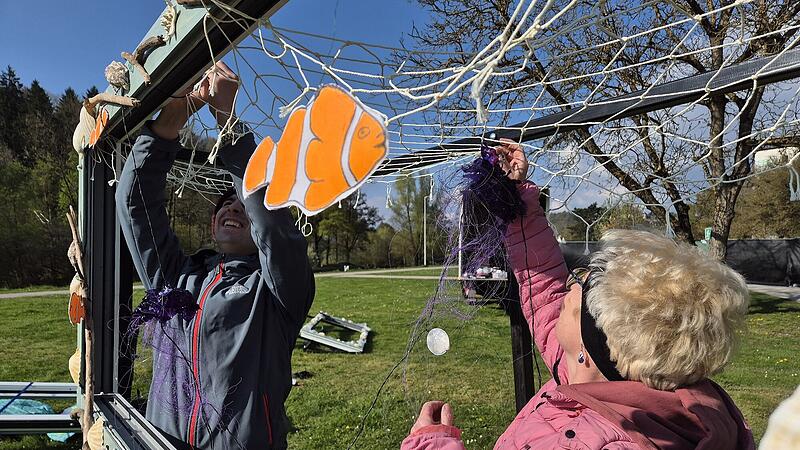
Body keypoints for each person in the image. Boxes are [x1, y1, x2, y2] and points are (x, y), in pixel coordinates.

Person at [401, 140, 755, 449]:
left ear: (587, 350)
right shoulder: (617, 380)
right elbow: (546, 291)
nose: (570, 285)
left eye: (575, 300)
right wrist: (519, 205)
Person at [116, 61, 315, 449]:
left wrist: (227, 122)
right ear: (212, 226)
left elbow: (272, 224)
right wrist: (177, 111)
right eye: (223, 206)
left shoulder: (278, 292)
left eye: (241, 204)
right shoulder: (176, 277)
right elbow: (134, 201)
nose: (233, 208)